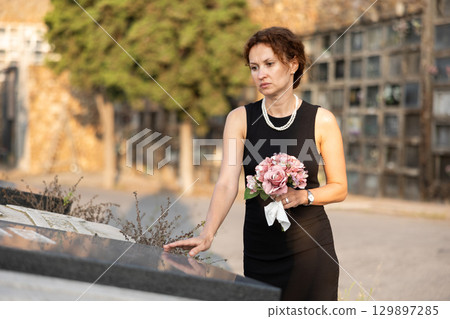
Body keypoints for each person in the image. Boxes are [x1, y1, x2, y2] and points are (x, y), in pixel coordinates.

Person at [164, 27, 347, 301]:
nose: (260, 74)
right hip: (259, 250)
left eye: (269, 64)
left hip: (311, 251)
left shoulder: (322, 120)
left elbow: (339, 188)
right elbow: (227, 182)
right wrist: (208, 233)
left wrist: (303, 195)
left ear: (293, 64)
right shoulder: (240, 118)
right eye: (253, 67)